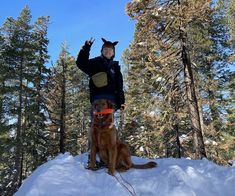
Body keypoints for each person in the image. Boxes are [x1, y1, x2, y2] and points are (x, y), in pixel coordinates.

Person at [76, 37, 125, 167]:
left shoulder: (116, 67)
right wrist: (86, 47)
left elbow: (120, 86)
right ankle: (94, 158)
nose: (108, 52)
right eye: (105, 50)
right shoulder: (95, 63)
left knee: (109, 129)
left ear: (113, 52)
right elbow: (80, 63)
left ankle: (108, 157)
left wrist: (122, 101)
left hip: (111, 103)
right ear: (102, 51)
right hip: (97, 102)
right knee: (95, 128)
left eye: (110, 50)